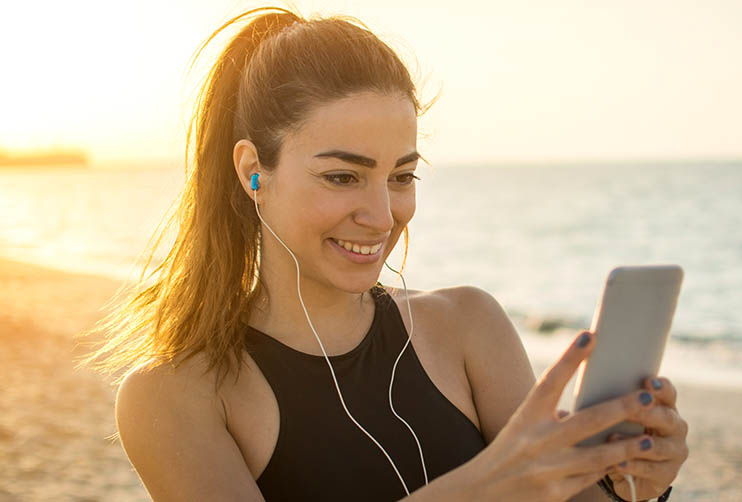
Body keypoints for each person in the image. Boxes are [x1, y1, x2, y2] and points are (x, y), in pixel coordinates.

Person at [77, 6, 688, 501]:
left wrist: (636, 487)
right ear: (252, 171)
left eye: (401, 176)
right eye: (343, 177)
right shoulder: (176, 395)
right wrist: (485, 489)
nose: (382, 214)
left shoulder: (468, 326)